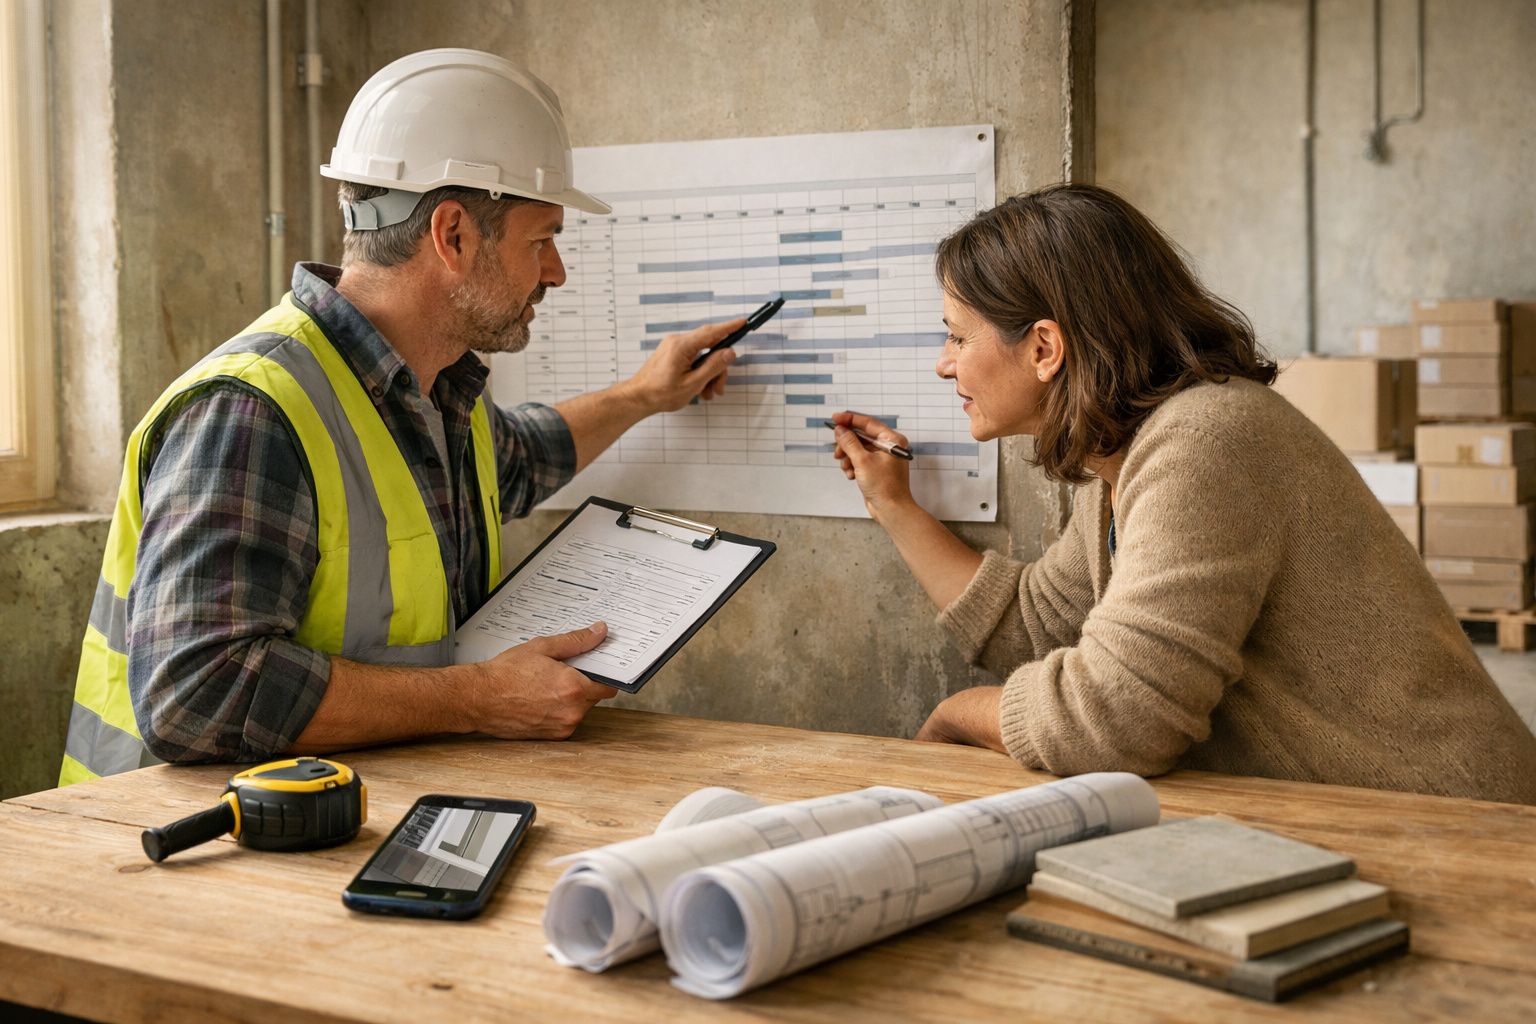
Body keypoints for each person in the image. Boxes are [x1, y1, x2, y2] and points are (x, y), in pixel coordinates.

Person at [60, 50, 744, 783]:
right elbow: (199, 693)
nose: (555, 272)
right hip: (172, 854)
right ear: (452, 235)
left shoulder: (437, 395)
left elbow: (520, 459)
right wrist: (478, 699)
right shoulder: (252, 411)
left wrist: (644, 395)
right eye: (542, 240)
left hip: (326, 829)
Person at [830, 183, 1536, 804]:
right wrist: (893, 504)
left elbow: (1115, 721)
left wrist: (959, 712)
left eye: (957, 337)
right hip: (1369, 822)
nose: (943, 364)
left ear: (1045, 348)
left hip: (1459, 827)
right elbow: (1037, 626)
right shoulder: (1126, 455)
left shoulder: (1208, 441)